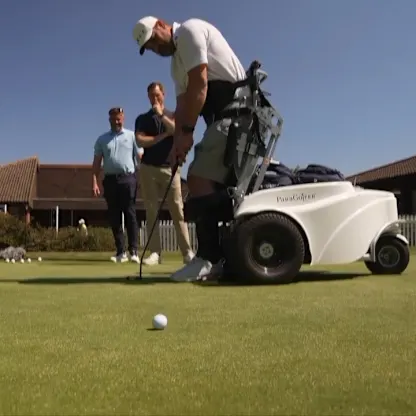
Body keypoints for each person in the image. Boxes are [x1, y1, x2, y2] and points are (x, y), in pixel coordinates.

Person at [132, 16, 249, 281]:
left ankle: (209, 259)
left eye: (154, 41)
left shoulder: (189, 31)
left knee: (197, 179)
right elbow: (183, 108)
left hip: (237, 114)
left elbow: (200, 84)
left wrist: (185, 134)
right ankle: (224, 255)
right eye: (150, 48)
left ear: (161, 25)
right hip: (222, 119)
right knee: (208, 183)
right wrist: (178, 144)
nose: (155, 49)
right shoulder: (176, 65)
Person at [135, 81, 194, 265]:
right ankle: (155, 253)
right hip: (148, 168)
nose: (154, 98)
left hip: (171, 168)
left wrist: (161, 115)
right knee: (151, 211)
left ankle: (187, 252)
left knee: (177, 210)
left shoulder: (173, 115)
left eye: (157, 95)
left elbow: (176, 131)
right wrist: (162, 136)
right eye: (151, 95)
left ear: (163, 95)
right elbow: (140, 141)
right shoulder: (142, 118)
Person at [92, 107, 143, 263]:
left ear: (123, 118)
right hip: (110, 180)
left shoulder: (131, 136)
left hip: (128, 178)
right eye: (113, 119)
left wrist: (142, 178)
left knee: (130, 214)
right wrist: (94, 181)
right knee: (114, 216)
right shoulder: (102, 139)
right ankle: (121, 252)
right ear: (109, 120)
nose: (116, 122)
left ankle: (133, 251)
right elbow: (96, 163)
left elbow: (140, 157)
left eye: (119, 119)